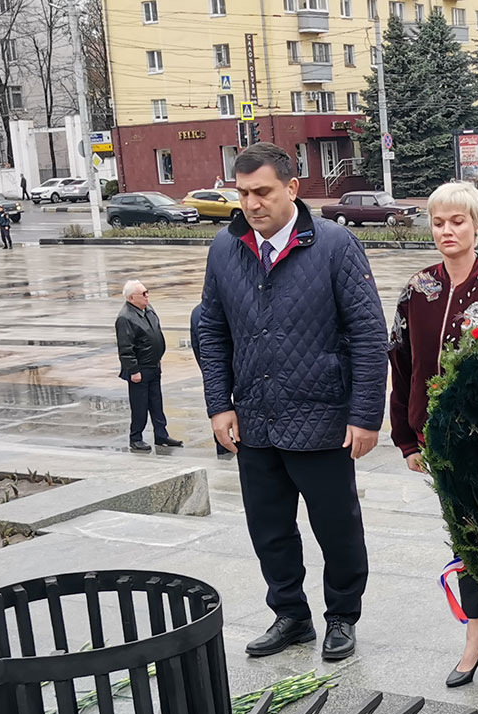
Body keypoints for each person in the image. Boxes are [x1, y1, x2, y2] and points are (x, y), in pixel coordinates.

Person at [191, 142, 386, 661]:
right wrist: (219, 404)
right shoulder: (225, 249)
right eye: (243, 193)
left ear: (292, 188)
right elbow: (211, 329)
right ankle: (291, 615)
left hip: (321, 419)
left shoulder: (335, 245)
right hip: (254, 419)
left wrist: (365, 416)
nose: (252, 204)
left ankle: (341, 616)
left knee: (337, 528)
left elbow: (369, 335)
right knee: (269, 528)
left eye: (263, 192)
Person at [387, 180, 478, 690]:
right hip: (439, 442)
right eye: (438, 222)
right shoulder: (417, 290)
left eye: (457, 221)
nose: (446, 231)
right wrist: (407, 438)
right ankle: (473, 635)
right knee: (465, 538)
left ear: (476, 225)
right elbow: (401, 365)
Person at [116, 280, 180, 451]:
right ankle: (136, 437)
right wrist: (133, 370)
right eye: (143, 294)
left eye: (147, 292)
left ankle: (161, 435)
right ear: (131, 298)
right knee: (140, 406)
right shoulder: (125, 318)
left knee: (156, 403)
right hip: (140, 369)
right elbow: (125, 348)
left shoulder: (148, 309)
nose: (147, 296)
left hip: (153, 365)